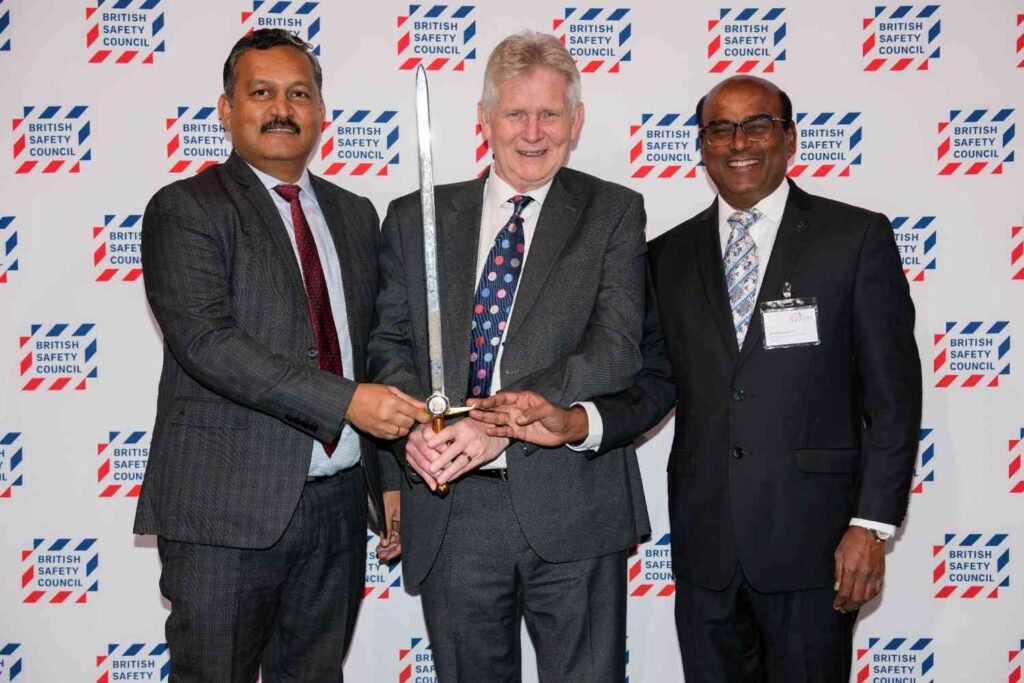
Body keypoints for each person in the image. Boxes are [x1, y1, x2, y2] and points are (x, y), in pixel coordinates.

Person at [474, 75, 922, 682]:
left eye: (758, 125)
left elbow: (893, 400)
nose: (739, 142)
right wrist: (576, 423)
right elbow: (656, 382)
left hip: (817, 546)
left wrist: (870, 527)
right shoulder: (668, 255)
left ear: (790, 138)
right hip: (707, 547)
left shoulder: (855, 238)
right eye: (720, 129)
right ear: (702, 146)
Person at [133, 28, 424, 681]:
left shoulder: (355, 214)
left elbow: (372, 352)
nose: (281, 109)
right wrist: (346, 402)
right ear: (226, 109)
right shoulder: (185, 209)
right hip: (224, 513)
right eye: (261, 93)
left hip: (338, 509)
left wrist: (387, 479)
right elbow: (208, 343)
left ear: (320, 111)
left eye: (298, 94)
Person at [368, 31, 649, 682]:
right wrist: (414, 427)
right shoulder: (414, 218)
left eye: (549, 113)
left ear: (576, 121)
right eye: (515, 113)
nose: (532, 132)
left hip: (573, 501)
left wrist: (497, 422)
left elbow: (615, 349)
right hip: (453, 508)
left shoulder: (613, 212)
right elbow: (387, 344)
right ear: (485, 118)